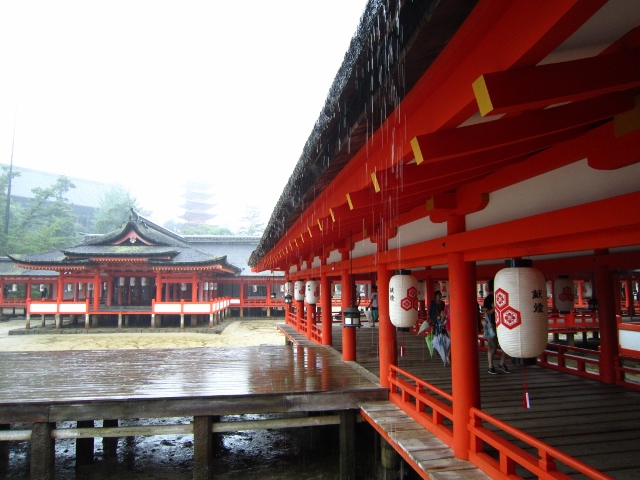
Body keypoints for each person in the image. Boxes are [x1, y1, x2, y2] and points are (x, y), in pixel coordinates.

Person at [483, 279, 510, 375]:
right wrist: (496, 307)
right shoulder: (488, 299)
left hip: (502, 324)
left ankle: (502, 363)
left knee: (506, 346)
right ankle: (490, 366)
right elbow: (487, 311)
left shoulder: (501, 296)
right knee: (492, 346)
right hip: (492, 325)